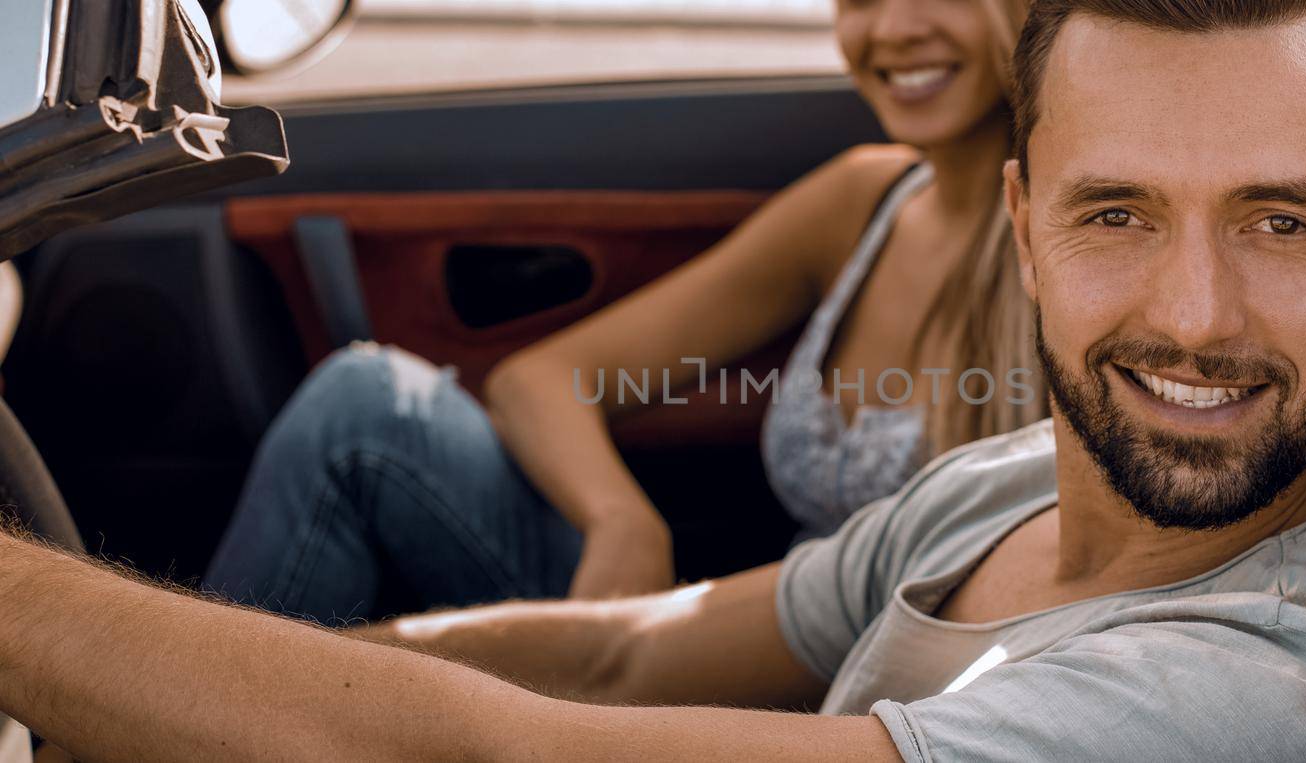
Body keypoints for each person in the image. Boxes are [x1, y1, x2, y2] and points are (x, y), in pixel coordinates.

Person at [1, 0, 1306, 759]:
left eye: (1282, 221)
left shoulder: (1271, 692)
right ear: (1027, 224)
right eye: (1116, 213)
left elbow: (526, 751)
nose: (1194, 316)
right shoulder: (1022, 482)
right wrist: (148, 701)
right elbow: (613, 654)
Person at [201, 0, 1046, 623]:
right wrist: (621, 518)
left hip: (854, 698)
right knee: (366, 405)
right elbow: (542, 378)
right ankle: (160, 710)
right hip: (725, 632)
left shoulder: (1067, 258)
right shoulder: (867, 200)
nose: (893, 29)